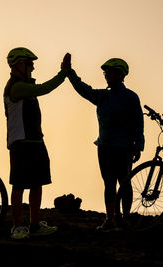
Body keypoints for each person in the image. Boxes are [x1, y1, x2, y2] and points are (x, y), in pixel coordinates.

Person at [62, 53, 144, 231]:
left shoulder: (131, 97)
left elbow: (139, 122)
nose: (106, 76)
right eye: (105, 73)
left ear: (121, 74)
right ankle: (110, 219)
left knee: (125, 183)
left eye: (110, 73)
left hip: (124, 148)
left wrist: (139, 145)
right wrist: (69, 73)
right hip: (104, 147)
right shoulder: (102, 96)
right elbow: (83, 89)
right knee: (109, 184)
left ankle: (125, 218)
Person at [4, 47, 69, 239]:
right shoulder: (16, 86)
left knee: (37, 183)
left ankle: (34, 225)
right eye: (29, 63)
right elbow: (44, 89)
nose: (32, 67)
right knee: (19, 185)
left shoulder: (25, 85)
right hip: (20, 142)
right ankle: (17, 227)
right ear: (18, 65)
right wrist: (63, 73)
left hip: (35, 140)